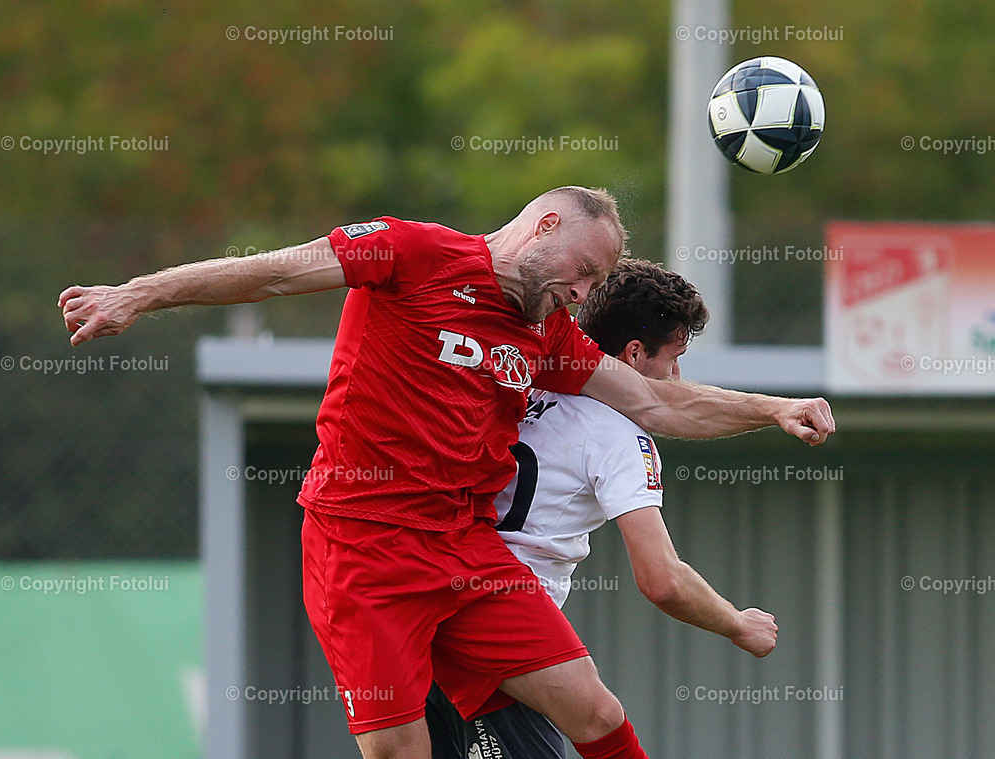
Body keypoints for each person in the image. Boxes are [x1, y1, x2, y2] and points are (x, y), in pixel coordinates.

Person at [59, 186, 834, 759]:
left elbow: (656, 405)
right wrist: (137, 293)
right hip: (362, 545)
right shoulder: (412, 252)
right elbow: (273, 273)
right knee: (402, 753)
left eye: (597, 284)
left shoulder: (547, 331)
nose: (586, 293)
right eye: (586, 271)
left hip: (466, 548)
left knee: (596, 713)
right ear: (544, 225)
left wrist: (771, 408)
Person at [426, 259, 779, 759]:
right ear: (634, 355)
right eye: (673, 358)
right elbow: (662, 580)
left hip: (428, 615)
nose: (678, 376)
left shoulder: (522, 383)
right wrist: (738, 625)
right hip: (506, 641)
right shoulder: (617, 435)